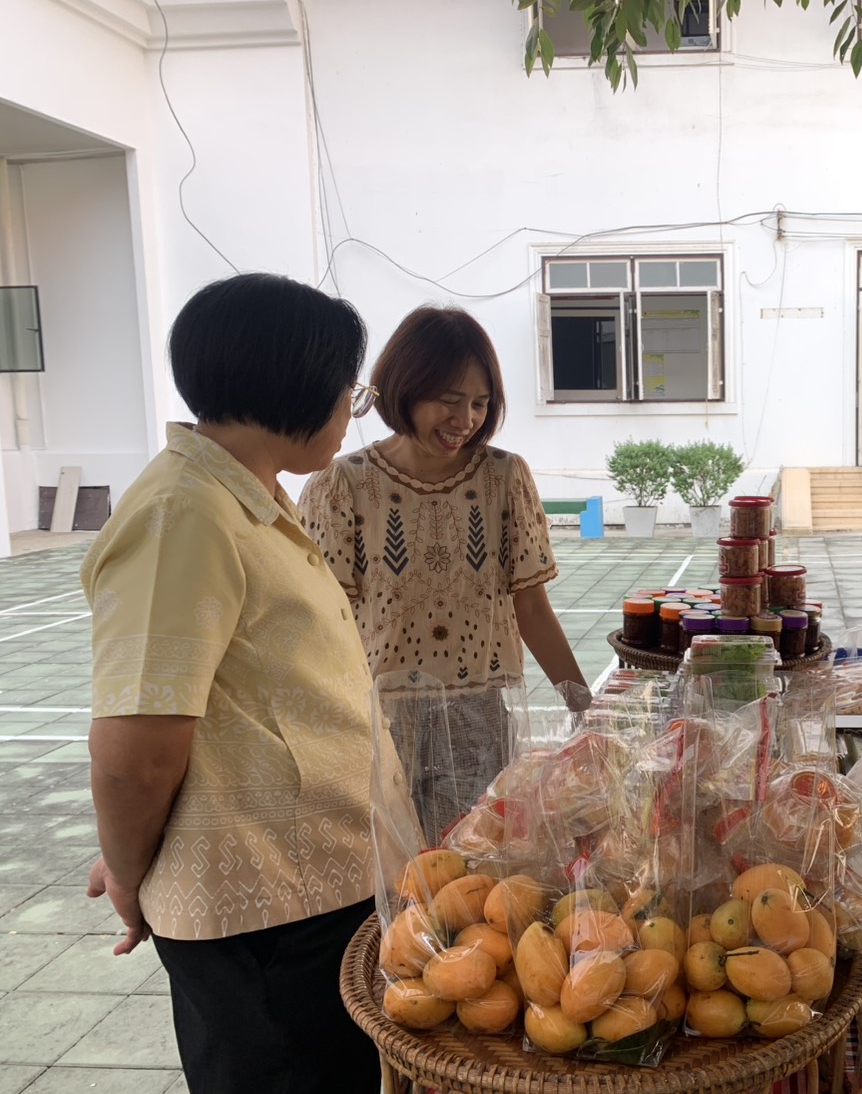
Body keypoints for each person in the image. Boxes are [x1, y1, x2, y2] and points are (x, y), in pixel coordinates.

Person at [82, 273, 382, 1093]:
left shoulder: (245, 499)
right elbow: (136, 750)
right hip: (265, 912)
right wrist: (127, 872)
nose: (350, 410)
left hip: (314, 889)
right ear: (300, 383)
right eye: (350, 390)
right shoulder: (182, 515)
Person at [300, 305, 587, 840]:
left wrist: (585, 709)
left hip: (479, 713)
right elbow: (326, 622)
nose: (465, 420)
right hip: (379, 717)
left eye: (480, 403)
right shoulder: (343, 485)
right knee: (394, 869)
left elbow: (531, 606)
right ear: (403, 388)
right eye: (449, 401)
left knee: (475, 862)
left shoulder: (504, 478)